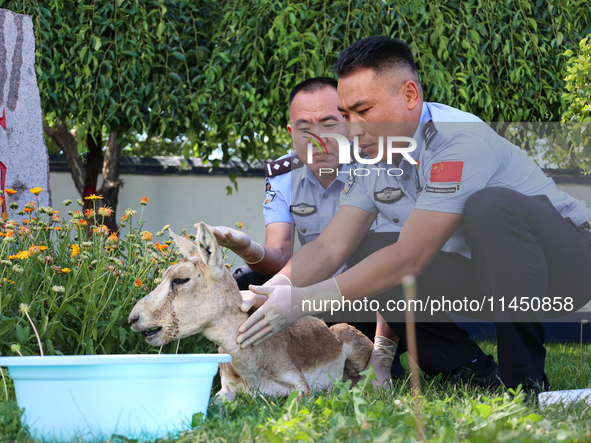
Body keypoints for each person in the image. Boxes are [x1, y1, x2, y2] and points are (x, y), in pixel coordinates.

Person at [235, 36, 591, 395]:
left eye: (364, 110)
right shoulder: (372, 156)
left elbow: (410, 257)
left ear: (409, 95)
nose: (353, 130)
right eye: (346, 115)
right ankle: (472, 371)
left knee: (490, 206)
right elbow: (330, 246)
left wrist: (303, 302)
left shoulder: (458, 140)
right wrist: (269, 292)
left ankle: (524, 382)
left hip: (569, 265)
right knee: (370, 248)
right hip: (489, 275)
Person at [205, 77, 402, 386]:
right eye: (305, 127)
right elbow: (280, 257)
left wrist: (381, 356)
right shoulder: (284, 175)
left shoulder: (379, 167)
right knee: (243, 280)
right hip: (309, 296)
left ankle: (376, 355)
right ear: (291, 132)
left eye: (329, 123)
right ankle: (241, 367)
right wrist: (246, 247)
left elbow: (395, 268)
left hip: (365, 296)